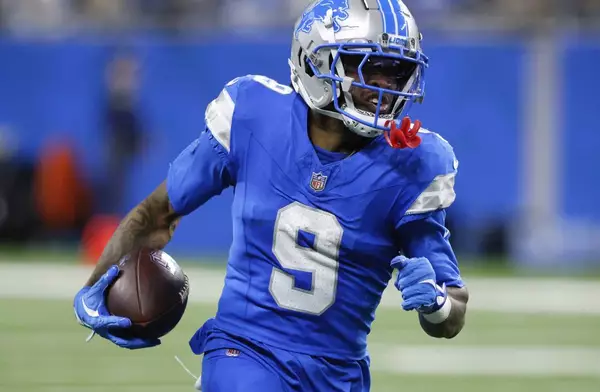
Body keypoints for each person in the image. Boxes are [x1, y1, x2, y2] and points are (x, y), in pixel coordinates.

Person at [73, 1, 469, 391]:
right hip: (243, 351)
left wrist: (436, 305)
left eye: (396, 71)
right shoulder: (253, 114)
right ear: (315, 61)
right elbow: (157, 214)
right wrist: (96, 286)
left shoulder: (415, 164)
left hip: (338, 374)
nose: (382, 85)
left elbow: (453, 310)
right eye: (366, 66)